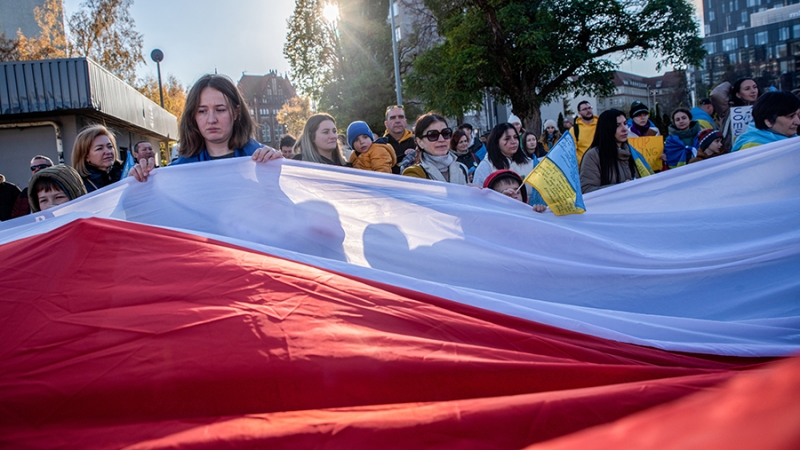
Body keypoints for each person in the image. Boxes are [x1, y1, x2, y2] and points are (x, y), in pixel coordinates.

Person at [163, 74, 281, 174]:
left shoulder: (263, 160)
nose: (211, 119)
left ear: (235, 113)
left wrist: (278, 169)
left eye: (220, 110)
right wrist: (146, 178)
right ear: (193, 116)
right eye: (202, 111)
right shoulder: (179, 171)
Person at [580, 109, 645, 193]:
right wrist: (621, 188)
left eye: (625, 123)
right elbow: (587, 189)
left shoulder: (634, 153)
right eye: (617, 125)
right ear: (606, 129)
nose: (625, 129)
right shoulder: (593, 156)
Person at [402, 113, 469, 184]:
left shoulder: (462, 168)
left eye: (446, 133)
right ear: (420, 142)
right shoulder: (413, 174)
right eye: (433, 135)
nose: (441, 139)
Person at [731, 91, 800, 152]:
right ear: (769, 121)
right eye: (790, 116)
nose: (798, 122)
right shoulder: (753, 149)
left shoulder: (790, 137)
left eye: (798, 115)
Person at [473, 122, 534, 190]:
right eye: (507, 139)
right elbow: (479, 195)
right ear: (496, 142)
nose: (513, 141)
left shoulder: (529, 162)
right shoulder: (486, 166)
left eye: (515, 137)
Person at [71, 124, 124, 193]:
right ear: (86, 156)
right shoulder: (78, 188)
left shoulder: (125, 174)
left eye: (110, 146)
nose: (108, 152)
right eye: (99, 148)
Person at [711, 78, 760, 150]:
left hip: (757, 148)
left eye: (755, 87)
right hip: (732, 152)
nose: (753, 91)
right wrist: (730, 84)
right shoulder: (728, 109)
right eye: (747, 89)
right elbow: (716, 94)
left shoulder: (762, 107)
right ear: (738, 94)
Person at [383, 105, 415, 173]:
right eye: (393, 118)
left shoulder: (418, 142)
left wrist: (417, 154)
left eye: (401, 117)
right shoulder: (380, 146)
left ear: (406, 122)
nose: (397, 121)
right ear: (386, 124)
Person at [569, 101, 599, 165]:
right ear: (579, 112)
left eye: (589, 108)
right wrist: (583, 162)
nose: (588, 110)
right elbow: (572, 150)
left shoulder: (601, 125)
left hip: (602, 164)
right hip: (584, 166)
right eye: (585, 109)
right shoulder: (574, 129)